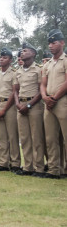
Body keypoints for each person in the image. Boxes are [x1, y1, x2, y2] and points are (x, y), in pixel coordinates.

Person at [13, 43, 45, 176]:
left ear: (33, 53)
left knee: (37, 137)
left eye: (25, 51)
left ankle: (39, 168)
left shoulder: (38, 70)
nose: (22, 52)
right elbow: (15, 90)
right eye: (22, 51)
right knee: (25, 138)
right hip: (21, 106)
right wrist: (18, 103)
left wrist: (29, 105)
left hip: (34, 106)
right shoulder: (18, 71)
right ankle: (27, 167)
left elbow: (40, 90)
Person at [40, 29, 66, 179]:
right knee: (50, 139)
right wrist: (45, 97)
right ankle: (53, 169)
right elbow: (43, 84)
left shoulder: (66, 60)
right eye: (49, 43)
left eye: (54, 42)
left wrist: (54, 98)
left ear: (62, 43)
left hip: (61, 102)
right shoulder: (47, 64)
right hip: (48, 103)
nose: (51, 45)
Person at [0, 48, 21, 172]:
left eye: (5, 57)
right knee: (1, 136)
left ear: (10, 60)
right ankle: (3, 163)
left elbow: (14, 92)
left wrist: (3, 110)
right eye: (1, 57)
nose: (2, 59)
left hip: (10, 107)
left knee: (12, 136)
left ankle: (15, 163)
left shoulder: (14, 73)